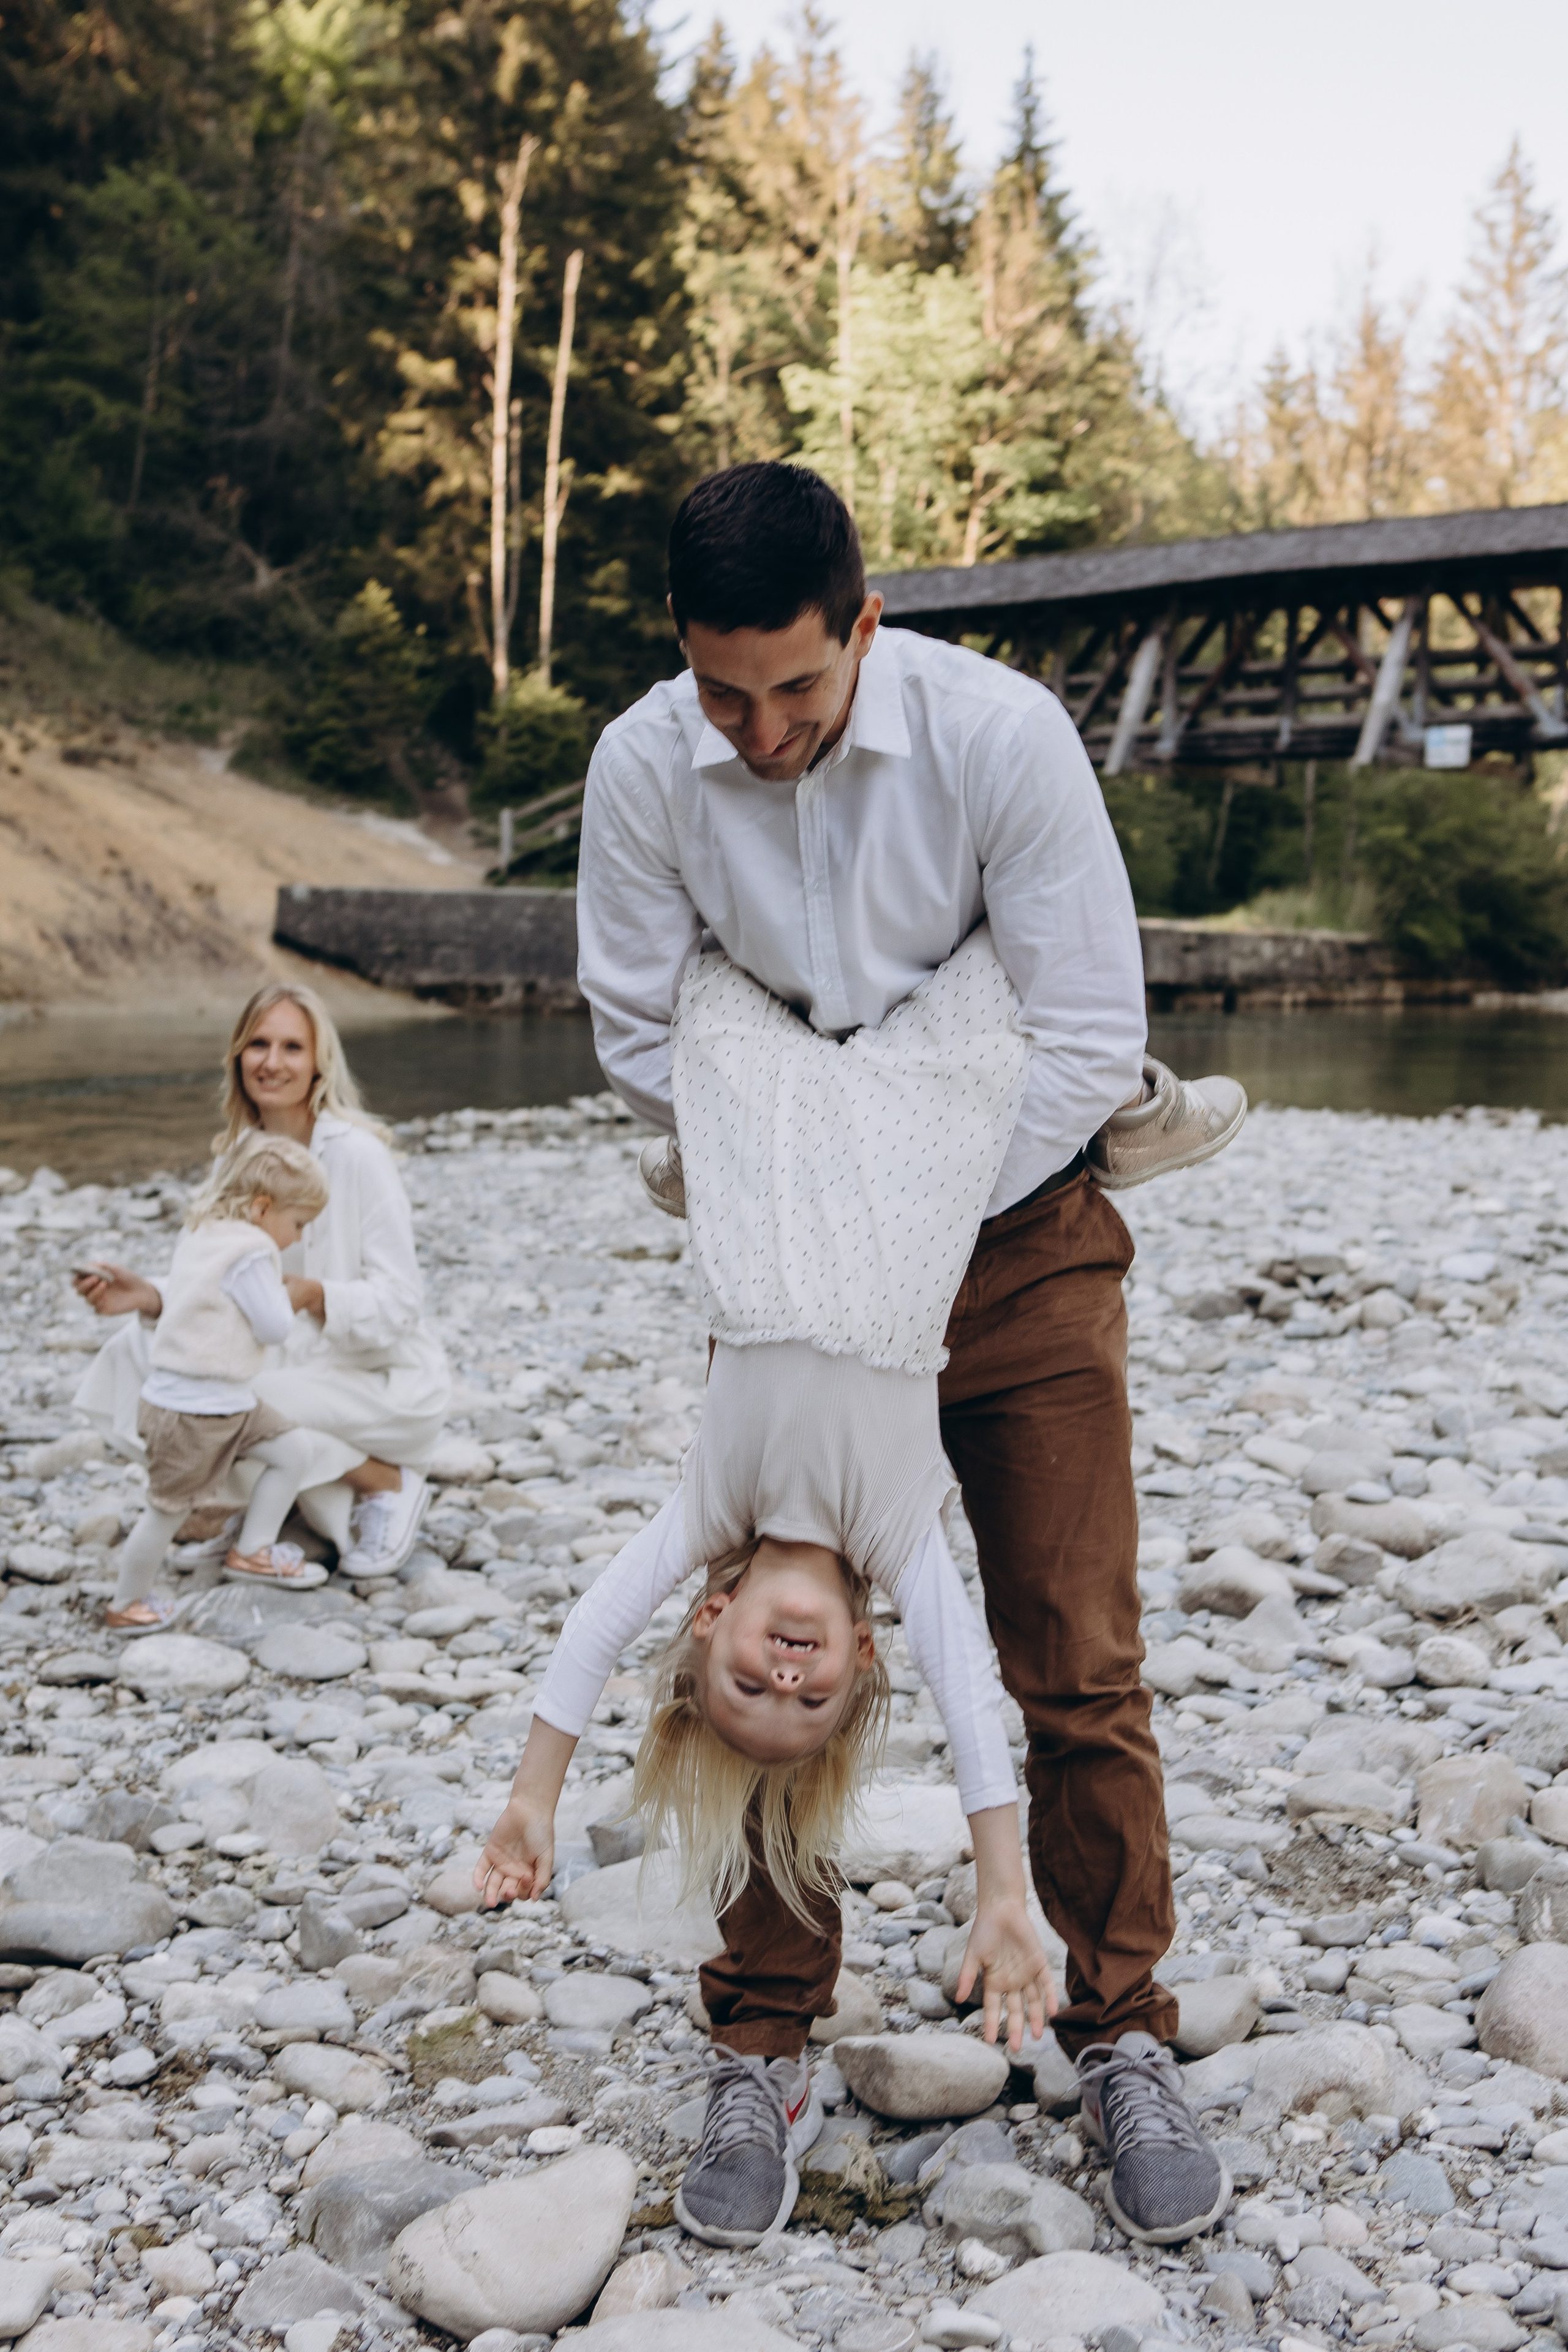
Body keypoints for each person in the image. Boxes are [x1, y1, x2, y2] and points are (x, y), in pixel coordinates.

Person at [568, 460, 1234, 2246]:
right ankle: (764, 2031)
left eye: (796, 686)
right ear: (682, 655)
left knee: (1073, 1651)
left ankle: (1113, 2023)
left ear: (866, 624)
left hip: (1017, 1246)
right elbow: (642, 1029)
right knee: (770, 1642)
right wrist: (833, 1171)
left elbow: (1086, 1029)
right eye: (725, 692)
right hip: (787, 1256)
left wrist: (907, 1189)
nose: (762, 730)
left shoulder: (999, 736)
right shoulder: (645, 763)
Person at [480, 925, 1057, 2248]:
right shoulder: (899, 1531)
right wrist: (1000, 1893)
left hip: (765, 1213)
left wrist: (533, 1794)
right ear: (862, 1649)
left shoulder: (710, 1513)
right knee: (970, 998)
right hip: (906, 1223)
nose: (784, 1676)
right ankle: (1108, 1103)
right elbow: (974, 1706)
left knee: (722, 988)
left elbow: (587, 1634)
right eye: (809, 1694)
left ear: (711, 1618)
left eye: (750, 1680)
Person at [74, 982, 451, 1581]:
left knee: (218, 1402)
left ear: (318, 1062)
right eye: (258, 1044)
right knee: (139, 1361)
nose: (272, 1062)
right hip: (276, 1360)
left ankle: (383, 1480)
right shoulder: (238, 1157)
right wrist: (150, 1296)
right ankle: (279, 1510)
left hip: (371, 1375)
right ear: (237, 1056)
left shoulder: (357, 1154)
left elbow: (402, 1303)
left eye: (292, 1047)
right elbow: (213, 1281)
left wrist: (314, 1296)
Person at [105, 1136, 336, 1628]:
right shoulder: (252, 1251)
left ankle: (253, 1548)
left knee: (292, 1450)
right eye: (297, 1224)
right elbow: (273, 1326)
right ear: (261, 1207)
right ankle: (126, 1604)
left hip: (226, 1401)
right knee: (166, 1511)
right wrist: (287, 1296)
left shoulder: (203, 1232)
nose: (295, 1238)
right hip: (193, 1412)